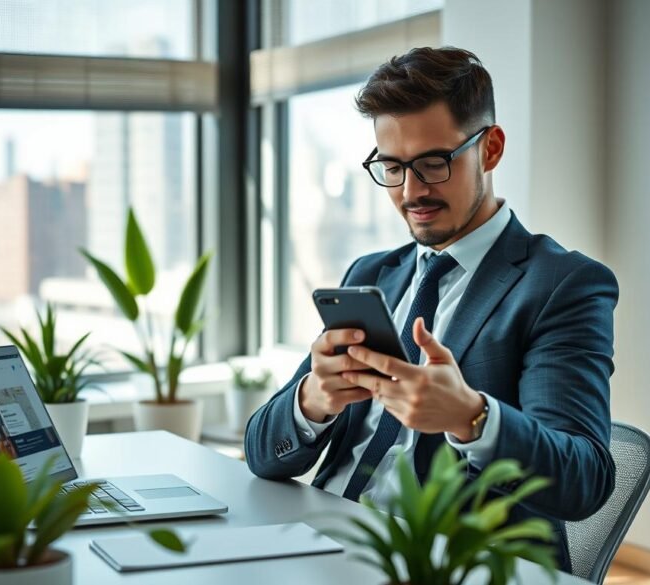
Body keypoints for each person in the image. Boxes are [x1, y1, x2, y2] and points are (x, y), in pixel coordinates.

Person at [245, 46, 618, 573]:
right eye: (392, 167)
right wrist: (313, 399)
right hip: (324, 545)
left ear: (490, 149)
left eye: (433, 164)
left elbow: (585, 479)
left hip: (450, 564)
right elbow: (261, 453)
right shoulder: (370, 275)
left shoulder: (562, 285)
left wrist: (472, 418)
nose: (410, 191)